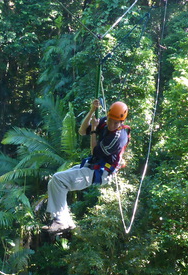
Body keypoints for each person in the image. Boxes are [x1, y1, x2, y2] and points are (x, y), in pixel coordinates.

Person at [44, 99, 130, 233]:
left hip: (102, 172)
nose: (111, 124)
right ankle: (66, 221)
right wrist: (91, 111)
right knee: (53, 182)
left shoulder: (118, 137)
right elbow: (82, 131)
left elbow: (94, 151)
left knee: (58, 179)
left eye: (115, 122)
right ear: (108, 116)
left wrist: (94, 129)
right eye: (110, 120)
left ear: (121, 122)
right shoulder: (105, 122)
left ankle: (61, 221)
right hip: (94, 166)